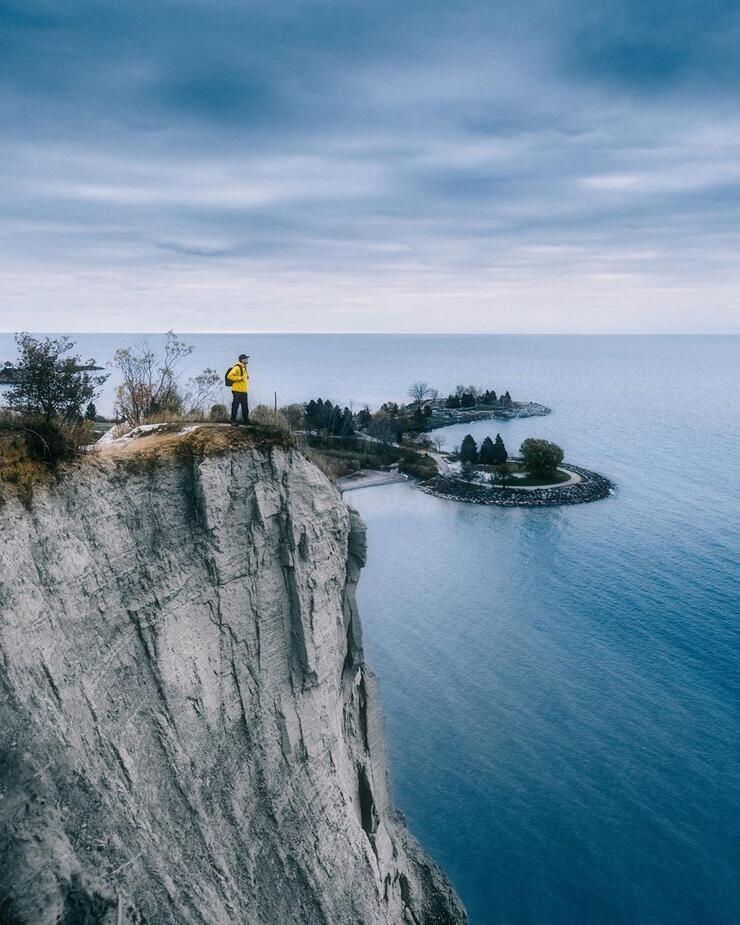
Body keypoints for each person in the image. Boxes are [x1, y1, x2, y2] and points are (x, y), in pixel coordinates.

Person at [227, 354, 250, 424]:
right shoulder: (237, 367)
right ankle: (233, 420)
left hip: (244, 390)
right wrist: (239, 378)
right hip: (237, 390)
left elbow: (245, 377)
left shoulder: (245, 368)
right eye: (246, 358)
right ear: (242, 360)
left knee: (245, 406)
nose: (247, 360)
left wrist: (247, 377)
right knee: (235, 405)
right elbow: (229, 376)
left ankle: (246, 421)